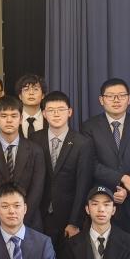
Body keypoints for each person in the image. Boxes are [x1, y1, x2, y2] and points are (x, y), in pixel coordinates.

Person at [82, 78, 130, 234]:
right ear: (101, 100)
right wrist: (124, 179)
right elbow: (91, 164)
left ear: (129, 99)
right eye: (110, 96)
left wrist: (127, 190)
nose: (116, 100)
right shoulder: (89, 127)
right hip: (103, 200)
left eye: (121, 95)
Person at [31, 91, 93, 249]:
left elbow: (83, 185)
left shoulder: (82, 143)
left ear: (70, 112)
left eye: (61, 109)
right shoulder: (34, 139)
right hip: (40, 216)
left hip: (68, 216)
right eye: (51, 110)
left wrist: (74, 221)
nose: (56, 114)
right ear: (44, 113)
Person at [0, 96, 46, 231]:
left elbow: (37, 189)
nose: (9, 120)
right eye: (4, 116)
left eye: (14, 116)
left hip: (29, 221)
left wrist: (21, 218)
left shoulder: (35, 150)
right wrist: (0, 215)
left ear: (21, 119)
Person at [15, 73, 46, 138]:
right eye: (26, 89)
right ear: (20, 96)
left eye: (35, 89)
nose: (31, 93)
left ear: (43, 95)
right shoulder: (13, 118)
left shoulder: (49, 118)